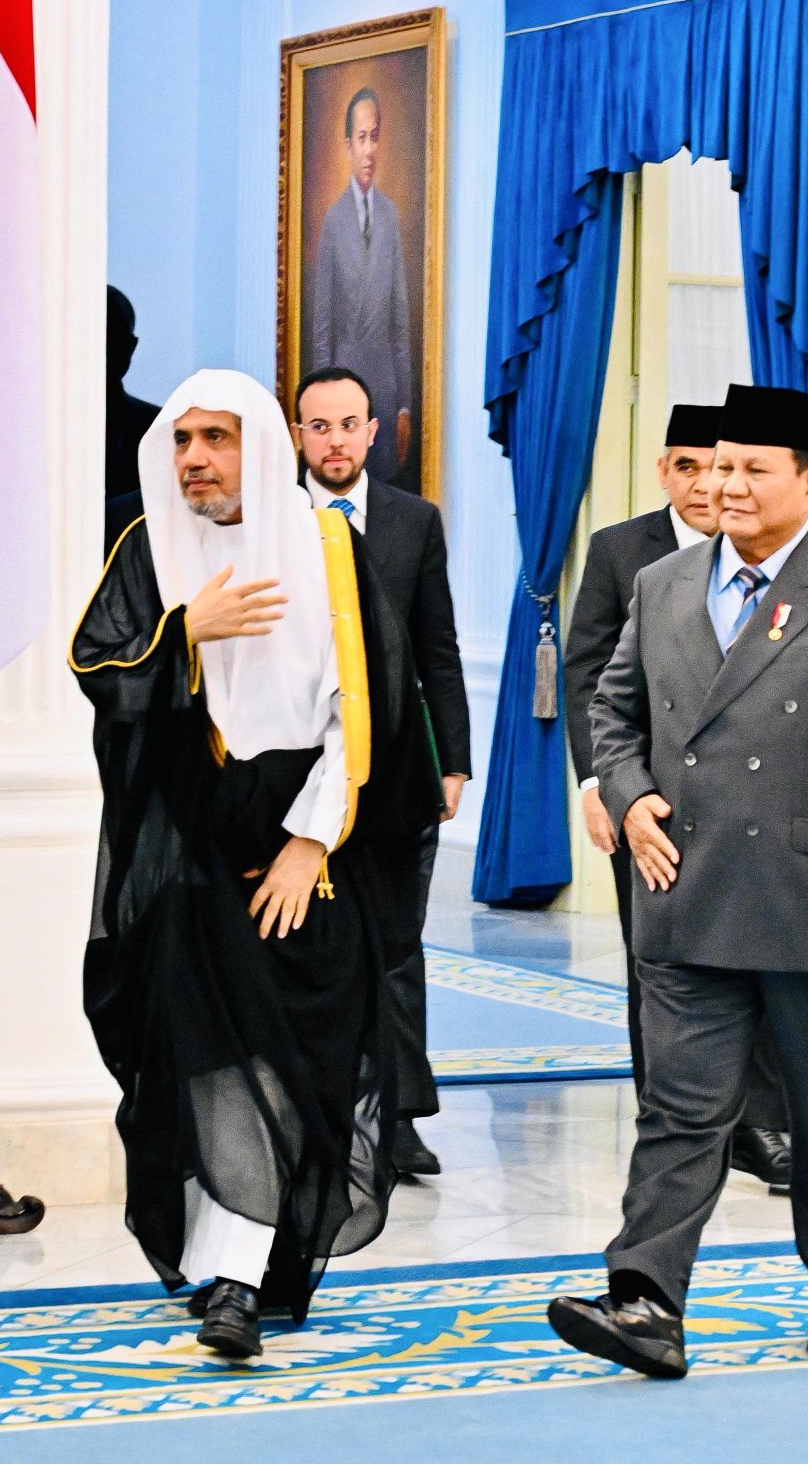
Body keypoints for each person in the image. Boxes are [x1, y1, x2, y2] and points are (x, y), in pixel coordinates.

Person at [547, 385, 808, 1379]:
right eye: (716, 465)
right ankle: (643, 1300)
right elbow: (612, 704)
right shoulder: (662, 584)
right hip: (684, 884)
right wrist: (627, 792)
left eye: (748, 469)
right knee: (679, 1110)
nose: (724, 484)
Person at [71, 369, 437, 1360]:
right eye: (182, 440)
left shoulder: (327, 549)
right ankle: (229, 1276)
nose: (194, 458)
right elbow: (96, 665)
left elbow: (367, 715)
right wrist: (184, 634)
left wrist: (307, 842)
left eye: (216, 439)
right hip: (191, 848)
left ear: (259, 449)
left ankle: (258, 1256)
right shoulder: (149, 547)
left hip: (313, 849)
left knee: (306, 1057)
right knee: (211, 1059)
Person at [563, 403, 794, 1195]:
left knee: (758, 958)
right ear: (664, 471)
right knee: (655, 959)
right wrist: (601, 784)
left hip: (756, 803)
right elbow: (591, 676)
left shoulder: (779, 552)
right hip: (653, 804)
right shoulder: (621, 552)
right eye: (688, 466)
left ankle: (758, 1126)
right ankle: (668, 1112)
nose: (706, 483)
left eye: (719, 465)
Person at [293, 364, 470, 1179]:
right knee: (310, 945)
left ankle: (399, 1118)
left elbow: (439, 645)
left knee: (397, 946)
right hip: (298, 769)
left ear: (376, 432)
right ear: (299, 436)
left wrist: (454, 761)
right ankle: (308, 1112)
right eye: (319, 426)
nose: (335, 440)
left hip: (399, 769)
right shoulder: (274, 520)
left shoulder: (413, 521)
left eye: (349, 424)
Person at [310, 88, 414, 488]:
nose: (369, 149)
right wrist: (323, 410)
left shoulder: (389, 214)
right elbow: (322, 330)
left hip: (386, 399)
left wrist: (404, 406)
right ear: (348, 145)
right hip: (345, 394)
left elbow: (401, 321)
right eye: (361, 138)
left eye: (376, 137)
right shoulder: (333, 222)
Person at [103, 285, 158, 545]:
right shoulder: (35, 427)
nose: (104, 351)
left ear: (131, 347)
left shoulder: (158, 426)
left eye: (112, 339)